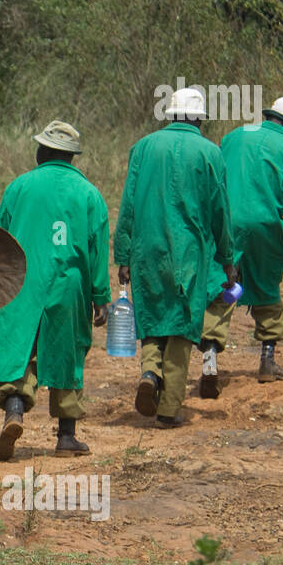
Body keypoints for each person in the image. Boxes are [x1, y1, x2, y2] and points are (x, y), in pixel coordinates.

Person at [0, 120, 111, 458]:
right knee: (67, 350)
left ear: (42, 151)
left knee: (18, 342)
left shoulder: (19, 187)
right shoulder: (89, 194)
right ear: (71, 157)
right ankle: (66, 437)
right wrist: (101, 298)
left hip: (21, 279)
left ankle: (14, 410)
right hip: (68, 284)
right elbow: (98, 250)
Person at [115, 87, 237, 427]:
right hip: (189, 255)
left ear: (170, 114)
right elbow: (220, 213)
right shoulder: (211, 153)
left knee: (153, 315)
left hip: (146, 249)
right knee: (183, 326)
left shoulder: (142, 148)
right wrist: (227, 259)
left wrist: (123, 255)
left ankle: (150, 372)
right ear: (199, 118)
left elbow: (128, 206)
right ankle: (168, 409)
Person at [198, 95, 283, 395]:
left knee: (222, 286)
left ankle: (209, 359)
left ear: (269, 116)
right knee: (266, 286)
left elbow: (211, 177)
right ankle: (267, 361)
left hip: (225, 224)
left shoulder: (233, 137)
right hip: (264, 225)